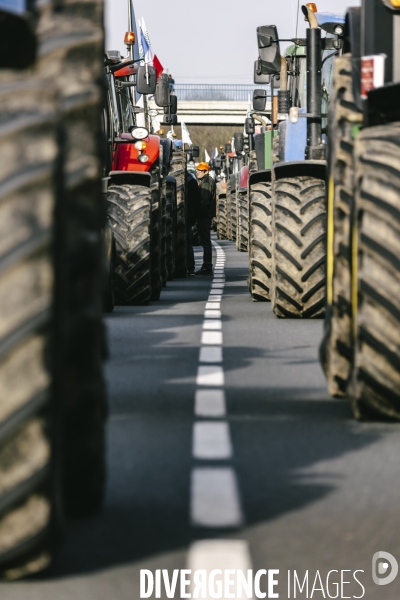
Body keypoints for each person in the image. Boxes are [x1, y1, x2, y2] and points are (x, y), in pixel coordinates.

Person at [195, 162, 216, 275]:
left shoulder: (206, 182)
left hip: (204, 216)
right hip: (205, 216)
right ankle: (206, 265)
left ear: (206, 171)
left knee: (206, 242)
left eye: (200, 170)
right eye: (197, 170)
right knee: (205, 242)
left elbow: (204, 201)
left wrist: (199, 216)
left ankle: (207, 266)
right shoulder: (206, 181)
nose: (197, 171)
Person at [186, 168, 201, 276]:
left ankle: (191, 267)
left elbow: (195, 201)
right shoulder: (192, 181)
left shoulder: (190, 181)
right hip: (190, 216)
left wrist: (194, 217)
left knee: (187, 241)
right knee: (188, 242)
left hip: (188, 217)